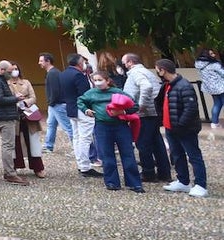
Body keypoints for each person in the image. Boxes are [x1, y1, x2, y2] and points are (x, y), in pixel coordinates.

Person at [77, 69, 144, 193]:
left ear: (107, 81)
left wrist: (123, 112)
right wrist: (86, 110)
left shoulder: (118, 92)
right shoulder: (91, 93)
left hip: (120, 126)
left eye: (100, 80)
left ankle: (134, 182)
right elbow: (80, 101)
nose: (97, 83)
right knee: (107, 155)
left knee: (128, 154)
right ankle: (112, 182)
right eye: (95, 80)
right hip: (102, 127)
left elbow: (134, 105)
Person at [155, 59, 209, 197]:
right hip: (170, 127)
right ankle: (183, 181)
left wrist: (180, 125)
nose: (157, 72)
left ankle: (201, 184)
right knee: (177, 155)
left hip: (184, 129)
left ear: (163, 70)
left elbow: (190, 108)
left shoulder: (184, 86)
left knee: (194, 156)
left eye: (158, 69)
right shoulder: (167, 85)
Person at [121, 54, 170, 182]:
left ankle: (148, 173)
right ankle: (164, 172)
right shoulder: (146, 72)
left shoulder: (136, 73)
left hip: (144, 114)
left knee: (143, 143)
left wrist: (141, 105)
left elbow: (146, 87)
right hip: (153, 112)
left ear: (130, 62)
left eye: (124, 62)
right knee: (157, 143)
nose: (124, 65)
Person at [0, 60, 28, 185]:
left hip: (5, 115)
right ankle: (10, 173)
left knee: (8, 145)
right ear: (2, 70)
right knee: (8, 145)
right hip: (3, 116)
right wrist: (16, 98)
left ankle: (9, 172)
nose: (11, 74)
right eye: (9, 72)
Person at [61, 53, 101, 178]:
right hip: (82, 109)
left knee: (77, 137)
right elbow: (85, 94)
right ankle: (85, 166)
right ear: (79, 63)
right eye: (83, 61)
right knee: (85, 138)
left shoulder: (64, 74)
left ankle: (81, 164)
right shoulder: (78, 75)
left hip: (71, 108)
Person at [9, 64, 46, 178]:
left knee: (33, 142)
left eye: (16, 69)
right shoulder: (6, 84)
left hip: (29, 115)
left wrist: (25, 102)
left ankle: (38, 167)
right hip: (14, 116)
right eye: (12, 69)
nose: (15, 71)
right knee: (14, 142)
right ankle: (13, 168)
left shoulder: (26, 82)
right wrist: (15, 101)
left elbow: (33, 97)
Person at [38, 53, 72, 153]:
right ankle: (48, 145)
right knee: (51, 124)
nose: (39, 63)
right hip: (54, 104)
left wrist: (51, 102)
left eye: (41, 61)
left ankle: (76, 147)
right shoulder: (53, 72)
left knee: (67, 127)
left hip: (57, 104)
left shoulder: (52, 73)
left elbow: (55, 90)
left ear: (48, 61)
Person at [193, 49, 224, 129]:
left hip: (211, 88)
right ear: (207, 55)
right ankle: (214, 123)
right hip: (221, 86)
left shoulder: (199, 65)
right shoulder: (214, 64)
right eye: (211, 54)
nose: (213, 55)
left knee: (217, 104)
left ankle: (214, 123)